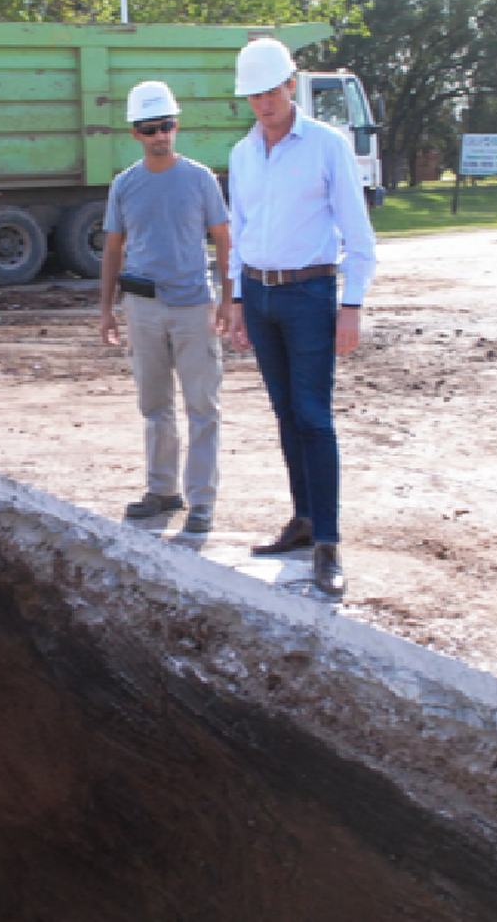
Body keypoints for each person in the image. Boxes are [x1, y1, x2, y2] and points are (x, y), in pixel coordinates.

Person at [226, 38, 377, 597]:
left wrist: (351, 306)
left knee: (314, 416)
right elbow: (239, 231)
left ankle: (329, 545)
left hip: (311, 293)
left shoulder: (325, 146)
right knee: (287, 413)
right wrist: (239, 301)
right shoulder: (244, 154)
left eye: (272, 90)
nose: (264, 102)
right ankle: (304, 518)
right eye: (254, 94)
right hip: (260, 296)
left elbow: (359, 237)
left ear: (292, 85)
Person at [100, 80, 232, 535]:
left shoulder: (199, 179)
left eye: (166, 126)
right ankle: (161, 490)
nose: (160, 135)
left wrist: (229, 300)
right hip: (143, 309)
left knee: (202, 405)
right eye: (150, 128)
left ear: (177, 125)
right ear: (135, 133)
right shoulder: (125, 186)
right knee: (154, 404)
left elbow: (224, 239)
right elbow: (113, 251)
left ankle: (201, 502)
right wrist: (106, 309)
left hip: (194, 306)